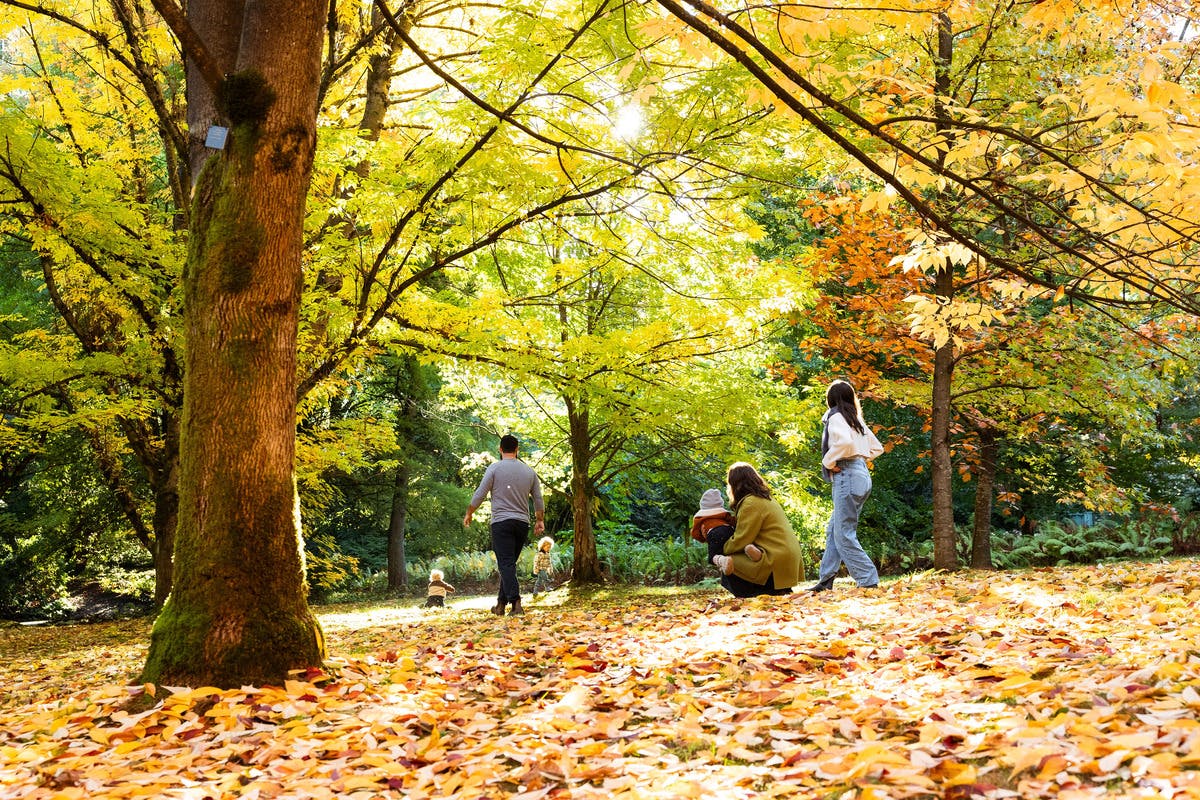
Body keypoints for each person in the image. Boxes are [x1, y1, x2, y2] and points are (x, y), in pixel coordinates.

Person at [809, 379, 884, 591]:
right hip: (861, 474)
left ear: (830, 399)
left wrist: (829, 462)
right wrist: (859, 459)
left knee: (843, 534)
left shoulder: (835, 417)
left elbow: (844, 443)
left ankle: (868, 580)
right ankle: (826, 579)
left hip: (848, 475)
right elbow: (877, 448)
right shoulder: (855, 420)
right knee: (834, 529)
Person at [464, 434, 545, 616]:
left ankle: (516, 604)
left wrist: (469, 512)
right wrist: (539, 520)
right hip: (522, 524)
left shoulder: (494, 469)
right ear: (517, 450)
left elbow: (480, 493)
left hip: (501, 522)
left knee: (506, 564)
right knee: (508, 564)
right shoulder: (529, 472)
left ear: (500, 449)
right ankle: (500, 605)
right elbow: (538, 499)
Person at [712, 463, 805, 597]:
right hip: (785, 559)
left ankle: (760, 591)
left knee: (729, 562)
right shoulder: (767, 499)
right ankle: (775, 589)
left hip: (774, 560)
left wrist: (720, 549)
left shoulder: (750, 503)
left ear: (735, 484)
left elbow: (741, 539)